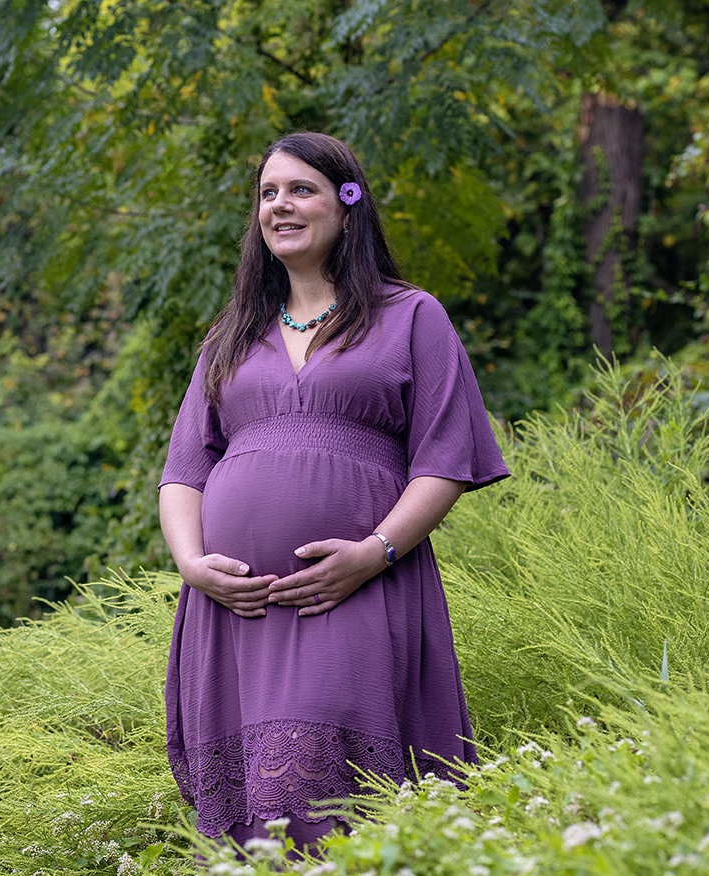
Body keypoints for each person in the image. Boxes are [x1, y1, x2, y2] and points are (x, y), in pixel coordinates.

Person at [158, 132, 510, 850]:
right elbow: (183, 473)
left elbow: (444, 459)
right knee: (255, 822)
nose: (278, 204)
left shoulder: (410, 317)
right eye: (266, 193)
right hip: (235, 610)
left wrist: (374, 552)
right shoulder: (231, 335)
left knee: (336, 798)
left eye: (299, 189)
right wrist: (192, 566)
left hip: (356, 591)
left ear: (347, 207)